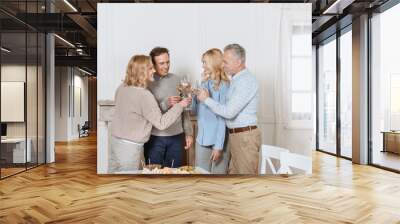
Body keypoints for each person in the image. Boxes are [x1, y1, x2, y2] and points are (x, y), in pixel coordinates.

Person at [110, 55, 191, 173]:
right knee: (129, 186)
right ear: (141, 71)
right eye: (150, 68)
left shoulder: (121, 88)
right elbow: (161, 123)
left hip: (115, 142)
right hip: (130, 149)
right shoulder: (144, 95)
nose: (154, 71)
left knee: (113, 181)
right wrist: (181, 105)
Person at [198, 44, 261, 174]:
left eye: (225, 62)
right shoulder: (236, 80)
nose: (223, 65)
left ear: (238, 62)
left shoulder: (245, 81)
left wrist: (206, 99)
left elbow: (228, 112)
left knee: (245, 180)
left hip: (245, 137)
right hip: (238, 136)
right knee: (234, 177)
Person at [144, 47, 194, 168]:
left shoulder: (177, 79)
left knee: (175, 176)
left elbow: (184, 110)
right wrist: (166, 104)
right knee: (153, 177)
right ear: (153, 64)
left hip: (177, 138)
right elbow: (147, 112)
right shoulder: (146, 82)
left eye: (168, 62)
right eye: (162, 63)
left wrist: (188, 133)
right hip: (154, 138)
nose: (166, 66)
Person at [192, 48, 230, 174]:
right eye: (202, 62)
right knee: (200, 177)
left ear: (214, 63)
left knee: (217, 181)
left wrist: (218, 146)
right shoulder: (203, 82)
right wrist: (193, 95)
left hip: (219, 141)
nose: (203, 66)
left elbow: (223, 117)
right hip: (202, 139)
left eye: (205, 62)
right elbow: (194, 110)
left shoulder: (225, 86)